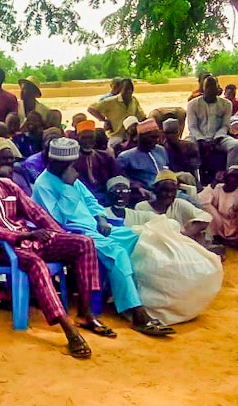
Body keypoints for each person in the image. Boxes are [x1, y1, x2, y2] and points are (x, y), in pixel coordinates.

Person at [0, 143, 99, 359]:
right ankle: (67, 327)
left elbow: (36, 212)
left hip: (31, 240)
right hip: (4, 249)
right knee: (36, 265)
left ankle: (85, 313)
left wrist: (57, 233)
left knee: (84, 243)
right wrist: (22, 236)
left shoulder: (7, 185)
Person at [32, 138, 175, 337]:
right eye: (66, 163)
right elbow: (56, 220)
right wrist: (66, 187)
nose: (70, 167)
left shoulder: (71, 177)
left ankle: (128, 294)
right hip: (76, 235)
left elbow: (90, 200)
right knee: (117, 255)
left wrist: (101, 218)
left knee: (140, 236)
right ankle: (137, 314)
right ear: (53, 162)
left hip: (96, 227)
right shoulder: (44, 184)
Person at [135, 170, 212, 242]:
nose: (169, 194)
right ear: (156, 189)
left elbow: (206, 217)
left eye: (172, 191)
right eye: (165, 190)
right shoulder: (141, 207)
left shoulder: (179, 203)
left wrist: (187, 232)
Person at [186, 75, 238, 170]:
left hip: (219, 138)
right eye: (208, 87)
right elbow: (192, 127)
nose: (210, 90)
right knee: (188, 144)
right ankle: (195, 175)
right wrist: (201, 140)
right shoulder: (193, 104)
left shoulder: (226, 104)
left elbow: (225, 125)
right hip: (197, 139)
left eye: (213, 87)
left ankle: (229, 174)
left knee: (235, 145)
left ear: (218, 89)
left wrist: (217, 138)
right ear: (203, 89)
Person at [117, 118, 169, 204]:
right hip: (148, 193)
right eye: (153, 137)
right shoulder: (126, 157)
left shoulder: (160, 150)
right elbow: (121, 178)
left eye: (157, 137)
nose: (157, 141)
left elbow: (167, 169)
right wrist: (137, 187)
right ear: (141, 137)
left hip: (168, 190)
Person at [73, 120, 120, 205]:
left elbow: (117, 176)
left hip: (106, 196)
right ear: (78, 139)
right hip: (82, 198)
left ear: (95, 138)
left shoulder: (105, 157)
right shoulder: (72, 160)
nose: (87, 141)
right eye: (84, 138)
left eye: (90, 137)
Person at [88, 78, 146, 147]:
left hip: (132, 135)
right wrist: (104, 120)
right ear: (120, 89)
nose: (129, 92)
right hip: (117, 135)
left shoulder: (134, 101)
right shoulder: (111, 101)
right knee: (113, 148)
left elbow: (141, 116)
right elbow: (91, 108)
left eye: (131, 89)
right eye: (126, 89)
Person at [199, 164, 238, 247]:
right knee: (207, 207)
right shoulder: (217, 187)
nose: (237, 181)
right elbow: (201, 200)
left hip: (236, 224)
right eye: (234, 177)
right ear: (226, 177)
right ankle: (218, 237)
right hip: (217, 222)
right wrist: (215, 181)